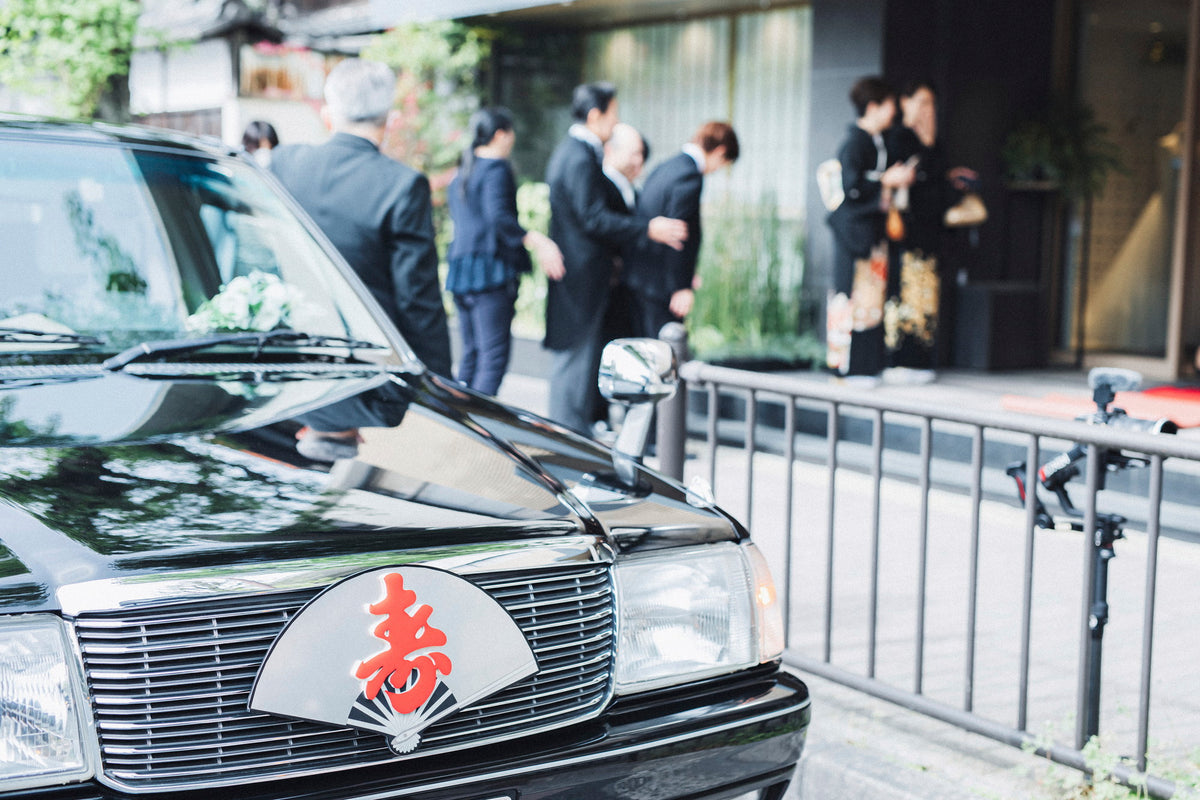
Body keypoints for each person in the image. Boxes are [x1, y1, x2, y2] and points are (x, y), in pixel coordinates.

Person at [270, 58, 451, 377]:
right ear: (389, 121)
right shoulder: (402, 185)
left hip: (287, 363)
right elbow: (417, 299)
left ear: (328, 115)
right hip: (367, 373)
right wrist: (437, 379)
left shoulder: (284, 163)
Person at [543, 81, 687, 434]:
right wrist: (646, 229)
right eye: (613, 114)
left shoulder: (574, 152)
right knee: (574, 361)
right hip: (581, 277)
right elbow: (591, 217)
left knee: (579, 359)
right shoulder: (579, 155)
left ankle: (572, 431)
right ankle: (567, 434)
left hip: (580, 276)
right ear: (596, 115)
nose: (615, 121)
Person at [445, 107, 564, 396]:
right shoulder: (496, 168)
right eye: (510, 133)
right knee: (493, 357)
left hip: (462, 271)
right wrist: (535, 239)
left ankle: (462, 423)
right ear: (501, 135)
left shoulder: (464, 171)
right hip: (490, 272)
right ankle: (480, 427)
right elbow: (499, 216)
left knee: (472, 355)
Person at [883, 80, 977, 381]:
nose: (928, 110)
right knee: (905, 294)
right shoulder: (899, 137)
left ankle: (920, 359)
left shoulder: (933, 141)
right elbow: (920, 182)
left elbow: (936, 179)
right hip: (906, 232)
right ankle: (899, 359)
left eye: (932, 104)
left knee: (924, 295)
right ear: (904, 103)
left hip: (930, 232)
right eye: (922, 102)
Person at [825, 75, 915, 384]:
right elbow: (850, 186)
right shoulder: (854, 142)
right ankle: (847, 366)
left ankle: (867, 364)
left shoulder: (877, 140)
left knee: (872, 299)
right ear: (873, 106)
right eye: (890, 105)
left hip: (871, 231)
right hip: (854, 233)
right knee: (852, 297)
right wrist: (885, 181)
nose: (894, 112)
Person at [623, 120, 739, 340]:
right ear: (720, 151)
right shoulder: (689, 176)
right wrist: (681, 286)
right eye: (723, 163)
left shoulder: (665, 167)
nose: (716, 170)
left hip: (640, 277)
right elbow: (678, 234)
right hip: (661, 286)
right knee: (664, 356)